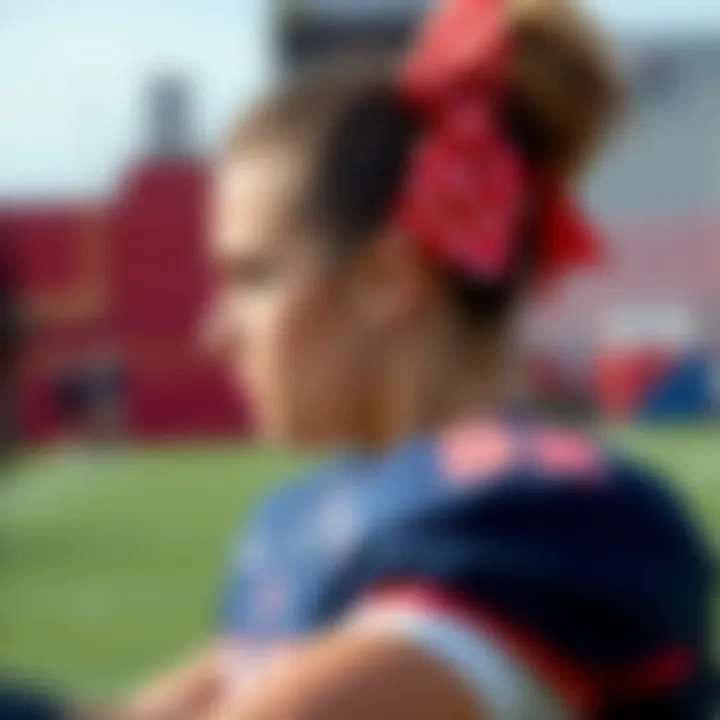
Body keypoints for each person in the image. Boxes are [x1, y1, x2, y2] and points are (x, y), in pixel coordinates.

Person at [107, 0, 715, 718]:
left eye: (254, 276)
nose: (216, 330)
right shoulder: (307, 517)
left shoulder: (530, 513)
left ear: (386, 281)